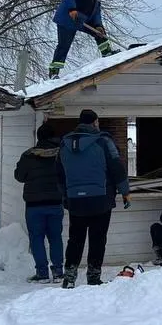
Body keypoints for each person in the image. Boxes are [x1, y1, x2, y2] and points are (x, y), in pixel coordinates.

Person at [57, 109, 131, 288]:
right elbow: (117, 168)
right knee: (98, 238)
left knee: (75, 238)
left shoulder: (65, 144)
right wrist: (125, 192)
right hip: (101, 199)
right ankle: (93, 276)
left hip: (75, 200)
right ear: (95, 122)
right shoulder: (104, 141)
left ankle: (69, 276)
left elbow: (59, 174)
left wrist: (65, 196)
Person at [13, 122, 65, 283]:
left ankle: (42, 273)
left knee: (36, 238)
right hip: (56, 202)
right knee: (55, 237)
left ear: (38, 137)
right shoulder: (61, 154)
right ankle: (58, 271)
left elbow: (19, 176)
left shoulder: (28, 155)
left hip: (34, 205)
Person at [49, 0, 117, 79]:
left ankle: (107, 52)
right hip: (67, 18)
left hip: (82, 20)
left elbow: (96, 13)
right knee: (64, 45)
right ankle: (54, 72)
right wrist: (72, 8)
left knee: (100, 32)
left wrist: (98, 25)